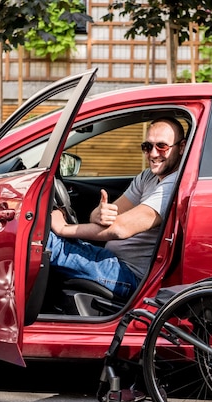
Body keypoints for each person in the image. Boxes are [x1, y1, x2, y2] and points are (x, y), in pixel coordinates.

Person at [47, 117, 186, 299]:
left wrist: (63, 228)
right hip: (112, 260)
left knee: (45, 242)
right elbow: (111, 214)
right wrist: (98, 214)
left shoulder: (173, 185)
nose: (153, 154)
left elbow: (120, 228)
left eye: (162, 146)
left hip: (129, 276)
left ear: (181, 147)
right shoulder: (148, 177)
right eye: (147, 146)